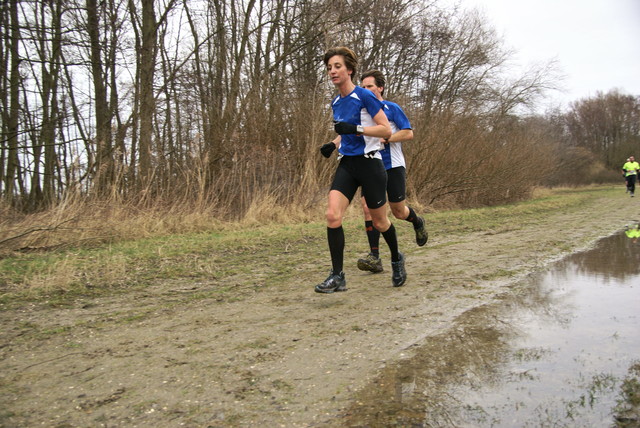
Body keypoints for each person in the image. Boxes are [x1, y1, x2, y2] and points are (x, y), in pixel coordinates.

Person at [316, 47, 406, 293]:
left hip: (371, 164)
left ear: (349, 70)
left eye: (337, 66)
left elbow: (385, 130)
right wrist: (333, 144)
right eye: (329, 68)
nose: (332, 71)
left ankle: (397, 258)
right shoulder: (335, 101)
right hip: (348, 163)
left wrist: (354, 129)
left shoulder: (364, 96)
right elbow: (343, 131)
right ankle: (338, 276)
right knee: (333, 216)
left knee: (380, 222)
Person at [355, 70, 428, 274]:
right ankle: (374, 257)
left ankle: (417, 221)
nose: (366, 90)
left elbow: (408, 133)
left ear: (380, 88)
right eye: (363, 87)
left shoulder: (391, 108)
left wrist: (386, 138)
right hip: (370, 166)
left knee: (398, 211)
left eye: (370, 86)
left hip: (393, 165)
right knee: (368, 207)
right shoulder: (362, 112)